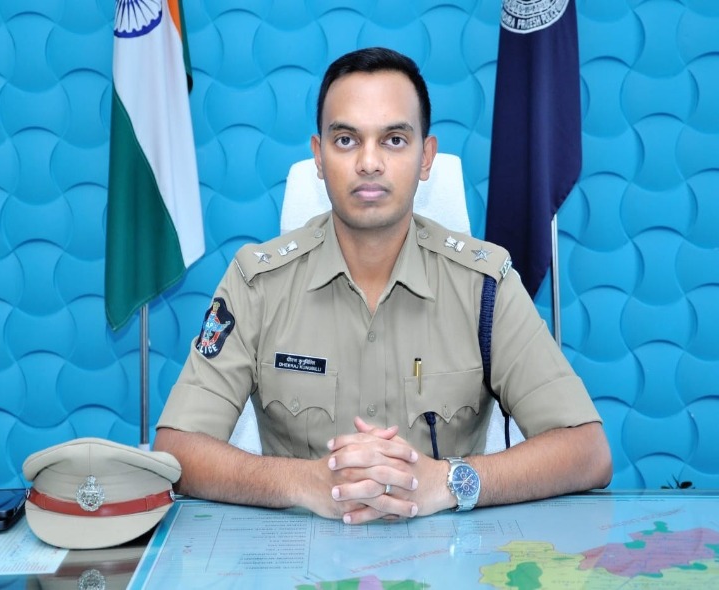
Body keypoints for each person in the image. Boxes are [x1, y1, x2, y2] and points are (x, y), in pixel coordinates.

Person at [154, 47, 612, 525]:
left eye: (393, 140)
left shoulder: (484, 285)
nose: (369, 162)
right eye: (346, 140)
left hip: (449, 557)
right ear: (318, 156)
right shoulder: (257, 283)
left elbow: (587, 451)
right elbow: (177, 450)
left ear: (425, 157)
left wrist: (448, 482)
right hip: (299, 556)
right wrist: (305, 482)